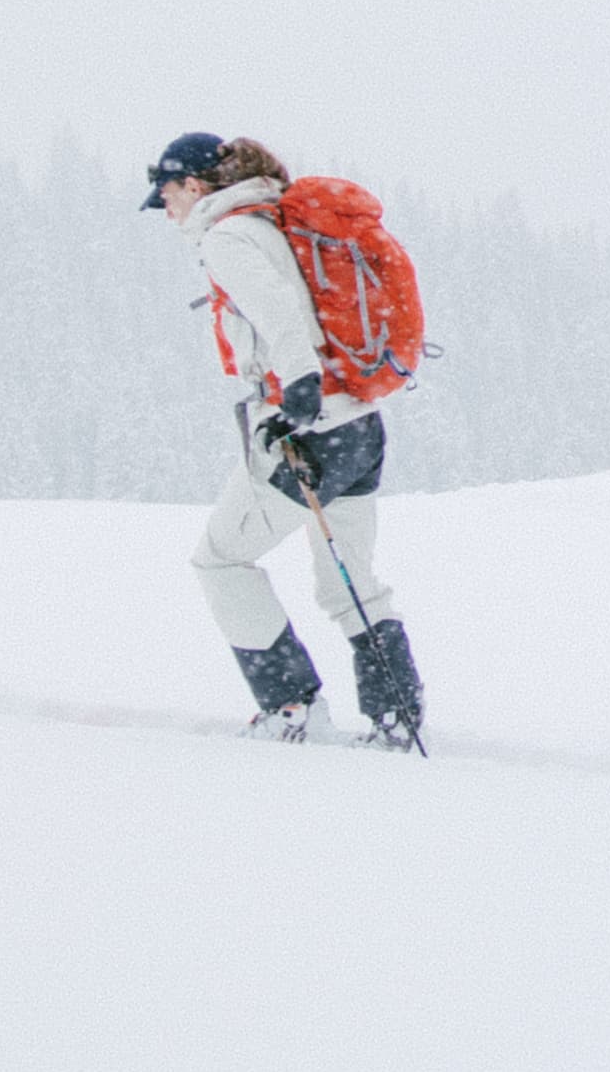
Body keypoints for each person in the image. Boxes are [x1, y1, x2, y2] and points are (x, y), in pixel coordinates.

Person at [143, 132, 424, 749]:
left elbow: (280, 313)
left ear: (194, 186)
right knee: (348, 580)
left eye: (165, 196)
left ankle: (290, 706)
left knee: (219, 560)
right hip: (359, 426)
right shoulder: (275, 217)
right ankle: (396, 718)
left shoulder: (229, 235)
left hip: (309, 432)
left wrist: (296, 392)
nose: (166, 211)